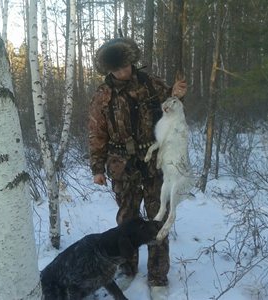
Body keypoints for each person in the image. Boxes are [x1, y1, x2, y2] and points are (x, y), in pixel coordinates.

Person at [88, 37, 187, 300]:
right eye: (116, 69)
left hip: (153, 162)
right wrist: (97, 167)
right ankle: (127, 267)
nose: (122, 72)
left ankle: (157, 275)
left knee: (158, 217)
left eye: (125, 66)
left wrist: (175, 94)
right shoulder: (102, 95)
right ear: (108, 70)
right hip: (121, 165)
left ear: (132, 62)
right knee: (127, 221)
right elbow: (97, 133)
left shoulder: (151, 84)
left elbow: (172, 108)